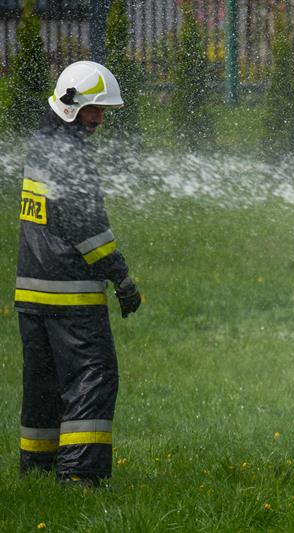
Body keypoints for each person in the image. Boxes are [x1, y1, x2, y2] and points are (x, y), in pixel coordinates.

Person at [15, 61, 141, 486]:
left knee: (43, 384)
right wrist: (121, 277)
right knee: (94, 375)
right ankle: (80, 476)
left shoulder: (40, 145)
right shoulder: (72, 157)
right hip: (71, 295)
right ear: (71, 105)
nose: (100, 119)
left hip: (31, 292)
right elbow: (90, 231)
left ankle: (37, 469)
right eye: (94, 109)